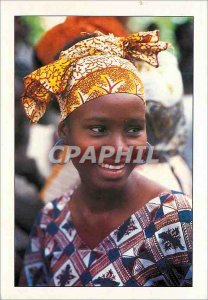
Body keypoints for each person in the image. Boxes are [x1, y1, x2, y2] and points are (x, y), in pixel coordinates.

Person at [19, 31, 192, 287]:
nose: (118, 148)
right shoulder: (51, 221)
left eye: (133, 129)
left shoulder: (179, 221)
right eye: (98, 129)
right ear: (64, 132)